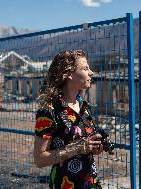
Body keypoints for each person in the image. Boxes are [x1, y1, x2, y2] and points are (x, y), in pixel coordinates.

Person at [33, 50, 103, 189]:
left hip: (91, 183)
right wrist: (77, 148)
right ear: (69, 74)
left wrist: (94, 147)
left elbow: (84, 145)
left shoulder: (84, 106)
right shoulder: (49, 111)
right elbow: (40, 159)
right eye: (85, 68)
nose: (91, 73)